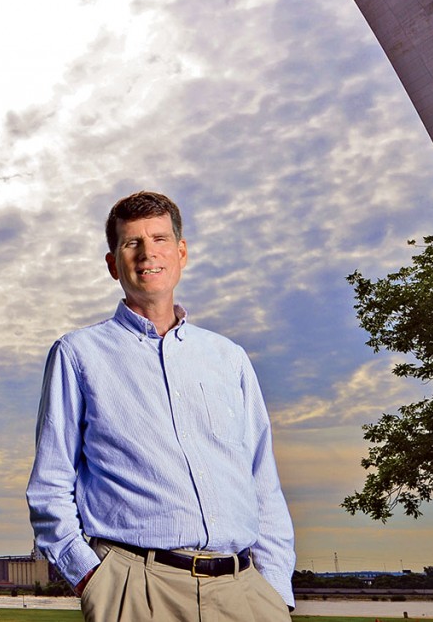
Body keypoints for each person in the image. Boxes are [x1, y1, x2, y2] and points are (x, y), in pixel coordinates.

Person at [26, 191, 295, 621]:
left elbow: (263, 481)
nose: (148, 253)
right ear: (114, 263)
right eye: (132, 243)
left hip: (246, 593)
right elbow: (50, 484)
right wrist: (93, 579)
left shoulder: (229, 358)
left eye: (160, 239)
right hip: (138, 592)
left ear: (181, 252)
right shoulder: (78, 354)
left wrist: (276, 590)